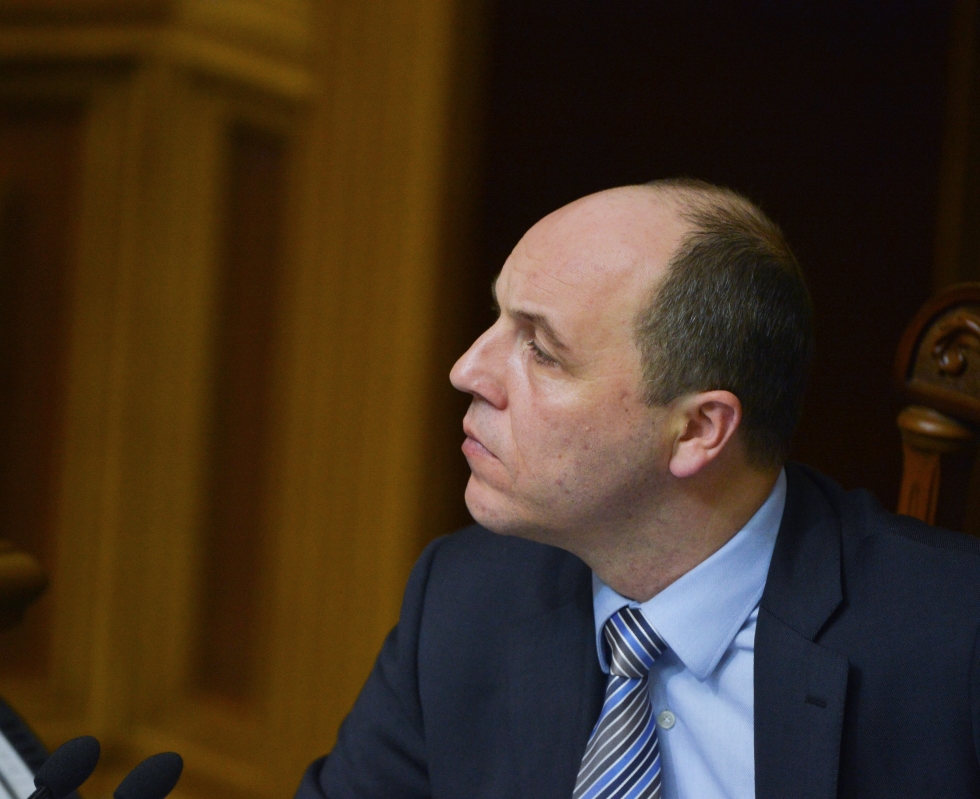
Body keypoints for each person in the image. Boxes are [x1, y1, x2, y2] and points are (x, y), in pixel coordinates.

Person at [294, 180, 980, 799]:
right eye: (497, 317)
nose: (467, 369)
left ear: (697, 431)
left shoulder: (952, 643)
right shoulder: (467, 598)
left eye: (541, 350)